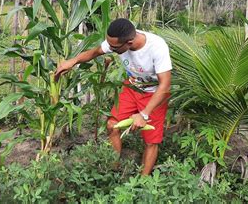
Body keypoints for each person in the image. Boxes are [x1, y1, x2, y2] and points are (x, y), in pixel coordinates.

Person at [54, 18, 172, 175]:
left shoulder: (157, 47)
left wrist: (144, 114)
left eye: (114, 48)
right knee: (111, 125)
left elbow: (165, 86)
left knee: (151, 141)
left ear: (129, 43)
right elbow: (95, 52)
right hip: (131, 87)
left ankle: (143, 182)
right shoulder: (115, 43)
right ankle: (113, 169)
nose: (109, 49)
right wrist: (73, 61)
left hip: (154, 93)